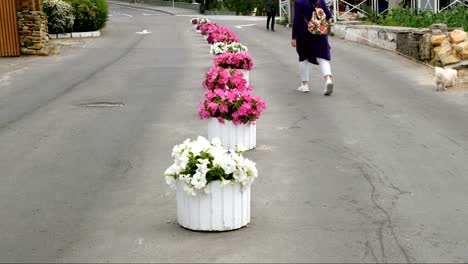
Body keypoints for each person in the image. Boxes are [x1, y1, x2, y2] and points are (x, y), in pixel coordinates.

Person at [291, 0, 334, 95]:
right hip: (320, 32)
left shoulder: (299, 1)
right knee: (322, 57)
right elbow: (328, 15)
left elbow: (297, 19)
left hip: (304, 33)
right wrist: (328, 21)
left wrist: (294, 37)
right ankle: (328, 79)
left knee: (304, 57)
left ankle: (305, 85)